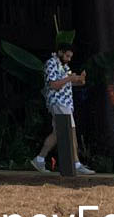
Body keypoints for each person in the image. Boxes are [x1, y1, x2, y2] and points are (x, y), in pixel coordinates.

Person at [31, 39, 95, 175]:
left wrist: (79, 80)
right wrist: (70, 78)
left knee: (58, 133)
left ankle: (40, 159)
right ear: (60, 52)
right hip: (58, 102)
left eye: (70, 57)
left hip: (65, 103)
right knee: (70, 131)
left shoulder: (63, 66)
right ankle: (76, 163)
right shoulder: (51, 63)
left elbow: (67, 83)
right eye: (67, 56)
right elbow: (54, 84)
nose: (69, 59)